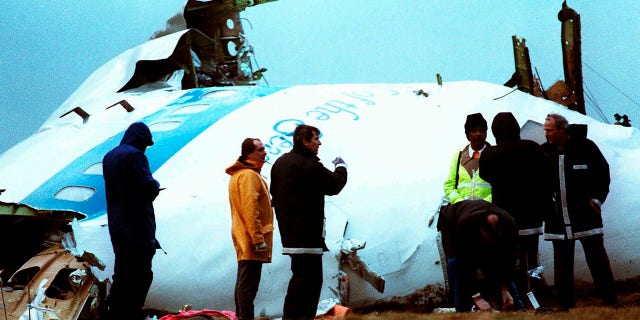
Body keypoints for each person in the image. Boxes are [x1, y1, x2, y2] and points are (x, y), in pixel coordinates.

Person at [270, 124, 348, 320]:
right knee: (310, 283)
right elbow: (334, 185)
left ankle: (291, 317)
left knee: (298, 279)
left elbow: (274, 194)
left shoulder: (279, 164)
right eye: (316, 139)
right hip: (308, 236)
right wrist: (341, 166)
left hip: (289, 236)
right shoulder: (308, 165)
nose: (319, 142)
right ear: (305, 141)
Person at [542, 113, 617, 309]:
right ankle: (564, 305)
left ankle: (610, 301)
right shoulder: (544, 153)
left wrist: (597, 200)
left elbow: (603, 173)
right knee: (562, 264)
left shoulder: (586, 147)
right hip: (558, 219)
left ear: (562, 130)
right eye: (545, 130)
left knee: (597, 260)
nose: (546, 133)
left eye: (549, 130)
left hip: (586, 218)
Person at [479, 112, 555, 301]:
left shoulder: (490, 154)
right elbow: (549, 170)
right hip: (531, 215)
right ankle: (535, 295)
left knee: (507, 259)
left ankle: (512, 296)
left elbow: (484, 175)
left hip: (505, 217)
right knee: (531, 259)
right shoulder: (532, 148)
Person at [103, 122, 162, 320]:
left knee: (122, 275)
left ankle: (115, 314)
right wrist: (156, 185)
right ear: (141, 141)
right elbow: (146, 186)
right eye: (146, 144)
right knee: (142, 276)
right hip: (137, 227)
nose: (145, 148)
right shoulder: (135, 156)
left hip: (117, 227)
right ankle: (130, 314)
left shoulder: (109, 156)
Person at [436, 200, 518, 312]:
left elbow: (509, 258)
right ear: (481, 230)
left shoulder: (509, 223)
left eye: (496, 237)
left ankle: (514, 307)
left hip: (472, 217)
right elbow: (464, 265)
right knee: (456, 263)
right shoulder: (466, 225)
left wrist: (505, 288)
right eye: (490, 237)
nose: (493, 241)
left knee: (495, 263)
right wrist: (477, 297)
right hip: (451, 224)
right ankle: (462, 311)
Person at [225, 138, 274, 320]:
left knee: (243, 282)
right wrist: (258, 238)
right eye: (260, 150)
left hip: (245, 236)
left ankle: (242, 316)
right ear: (249, 154)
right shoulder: (249, 176)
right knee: (248, 285)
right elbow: (250, 208)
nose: (264, 152)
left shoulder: (240, 174)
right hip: (251, 239)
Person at [443, 113, 492, 205]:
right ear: (467, 135)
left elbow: (501, 186)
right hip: (462, 212)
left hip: (487, 211)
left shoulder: (495, 155)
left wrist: (484, 204)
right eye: (473, 131)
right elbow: (449, 186)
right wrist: (460, 204)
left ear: (485, 133)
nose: (478, 134)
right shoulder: (458, 157)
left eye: (481, 130)